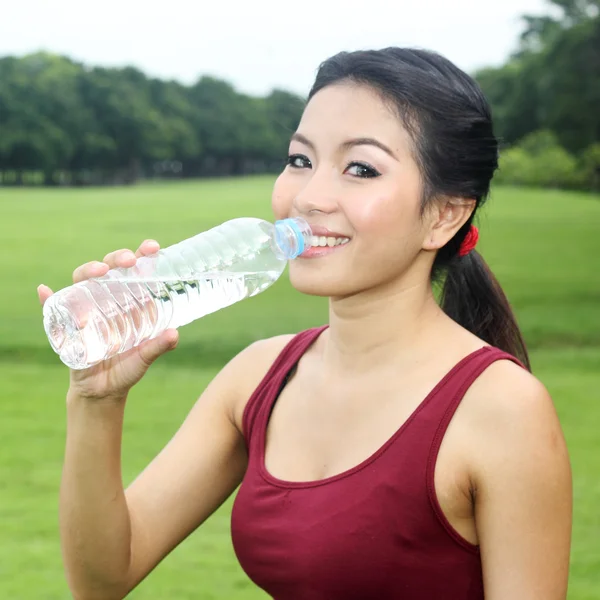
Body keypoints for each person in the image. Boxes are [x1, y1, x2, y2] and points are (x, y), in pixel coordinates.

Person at [37, 47, 572, 600]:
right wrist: (96, 401)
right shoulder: (259, 377)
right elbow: (102, 579)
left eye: (360, 168)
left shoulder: (503, 409)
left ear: (444, 215)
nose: (309, 197)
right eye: (300, 160)